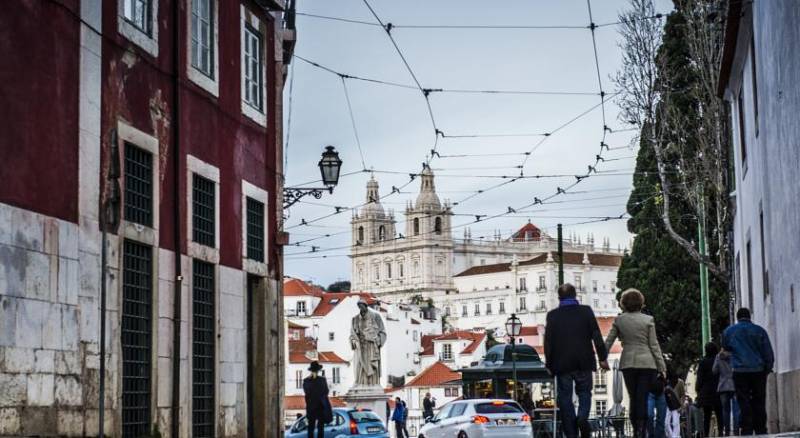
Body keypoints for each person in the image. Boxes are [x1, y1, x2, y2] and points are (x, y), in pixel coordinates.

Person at [544, 283, 610, 438]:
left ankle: (571, 434)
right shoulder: (586, 311)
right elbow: (596, 336)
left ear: (559, 297)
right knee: (585, 393)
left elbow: (548, 342)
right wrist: (602, 358)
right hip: (584, 361)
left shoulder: (552, 316)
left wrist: (549, 364)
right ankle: (582, 418)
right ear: (575, 295)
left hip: (562, 365)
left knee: (565, 399)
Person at [604, 289, 667, 438]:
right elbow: (654, 345)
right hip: (647, 364)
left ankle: (635, 431)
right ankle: (642, 429)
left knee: (633, 397)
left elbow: (609, 341)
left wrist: (602, 357)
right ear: (641, 303)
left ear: (623, 304)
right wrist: (662, 367)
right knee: (643, 397)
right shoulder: (648, 320)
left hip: (628, 364)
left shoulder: (620, 320)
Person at [721, 308, 774, 435]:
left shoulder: (729, 331)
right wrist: (767, 368)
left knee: (743, 400)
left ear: (737, 317)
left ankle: (747, 428)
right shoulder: (760, 331)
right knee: (759, 400)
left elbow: (725, 349)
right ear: (749, 317)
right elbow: (768, 353)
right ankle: (761, 428)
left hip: (740, 371)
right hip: (758, 370)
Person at [696, 342, 723, 436]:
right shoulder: (719, 360)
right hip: (718, 391)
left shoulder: (703, 362)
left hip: (706, 393)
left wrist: (698, 390)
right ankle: (722, 434)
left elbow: (699, 378)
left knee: (706, 416)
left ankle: (706, 435)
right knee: (720, 414)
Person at [303, 361, 332, 438]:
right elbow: (325, 391)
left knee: (316, 428)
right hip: (315, 407)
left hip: (317, 407)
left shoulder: (309, 380)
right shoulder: (309, 381)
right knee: (314, 428)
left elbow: (325, 391)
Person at [713, 348, 737, 435]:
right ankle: (736, 429)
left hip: (723, 386)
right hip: (734, 384)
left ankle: (726, 431)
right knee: (736, 409)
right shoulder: (734, 354)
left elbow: (714, 371)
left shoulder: (718, 356)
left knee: (725, 410)